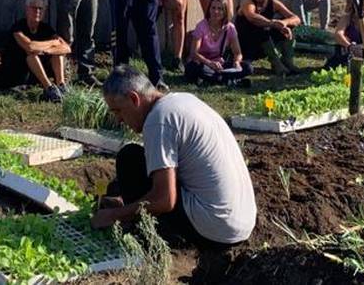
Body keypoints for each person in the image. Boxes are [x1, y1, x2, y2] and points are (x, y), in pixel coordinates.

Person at [91, 66, 257, 248]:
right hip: (242, 222)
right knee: (142, 160)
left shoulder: (158, 120)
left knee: (130, 159)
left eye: (118, 111)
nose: (119, 120)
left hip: (215, 230)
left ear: (134, 98)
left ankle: (149, 238)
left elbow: (164, 200)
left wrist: (115, 215)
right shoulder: (182, 100)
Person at [0, 0, 72, 101]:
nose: (37, 11)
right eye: (34, 8)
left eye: (40, 9)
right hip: (17, 70)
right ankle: (49, 88)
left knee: (59, 53)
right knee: (32, 55)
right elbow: (30, 46)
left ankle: (61, 86)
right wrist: (52, 43)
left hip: (37, 70)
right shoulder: (18, 28)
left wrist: (47, 51)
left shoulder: (46, 29)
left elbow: (67, 48)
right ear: (27, 9)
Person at [235, 0, 301, 77]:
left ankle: (288, 61)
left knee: (290, 28)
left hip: (262, 44)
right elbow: (252, 17)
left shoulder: (273, 3)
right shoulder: (248, 2)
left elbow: (296, 18)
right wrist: (273, 23)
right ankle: (276, 63)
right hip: (245, 44)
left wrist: (284, 23)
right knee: (261, 28)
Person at [185, 0, 248, 87]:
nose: (216, 12)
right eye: (213, 8)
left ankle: (219, 79)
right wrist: (209, 63)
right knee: (195, 69)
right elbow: (194, 53)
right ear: (209, 10)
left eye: (220, 9)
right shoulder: (201, 26)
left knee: (248, 68)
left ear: (225, 11)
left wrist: (237, 62)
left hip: (219, 65)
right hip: (203, 63)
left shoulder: (230, 28)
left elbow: (238, 53)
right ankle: (229, 80)